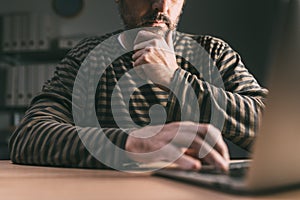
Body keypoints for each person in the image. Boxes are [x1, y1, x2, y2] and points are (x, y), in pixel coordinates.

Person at [9, 0, 268, 172]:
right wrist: (133, 145)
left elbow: (280, 129)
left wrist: (174, 79)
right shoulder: (88, 57)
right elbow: (30, 136)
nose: (161, 5)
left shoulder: (213, 52)